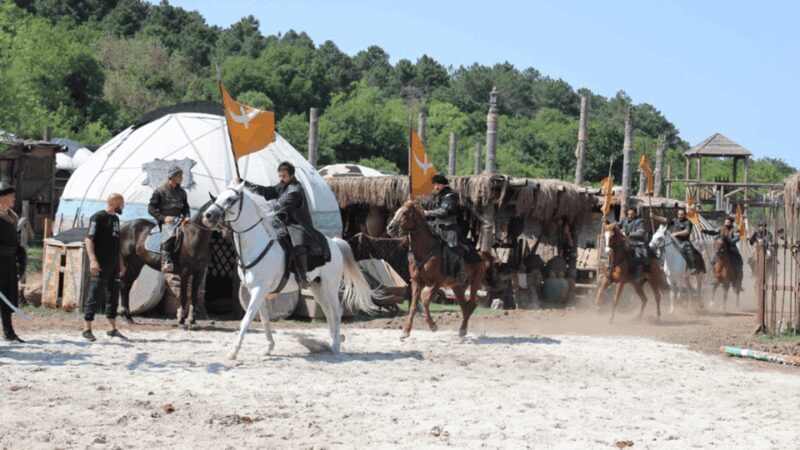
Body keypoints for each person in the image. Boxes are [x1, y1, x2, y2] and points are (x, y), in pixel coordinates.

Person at [241, 161, 329, 288]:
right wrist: (245, 184)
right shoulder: (282, 186)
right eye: (280, 176)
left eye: (284, 176)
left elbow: (279, 205)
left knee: (298, 244)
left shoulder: (295, 190)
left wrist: (257, 210)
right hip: (282, 222)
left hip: (297, 224)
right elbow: (268, 191)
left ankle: (302, 277)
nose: (281, 179)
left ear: (291, 175)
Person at [82, 194, 128, 342]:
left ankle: (111, 328)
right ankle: (87, 328)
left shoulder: (116, 219)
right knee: (94, 294)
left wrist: (120, 263)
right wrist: (93, 260)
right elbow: (89, 239)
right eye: (121, 203)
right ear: (114, 202)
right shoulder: (98, 217)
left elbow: (116, 244)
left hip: (113, 263)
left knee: (113, 295)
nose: (123, 206)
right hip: (100, 263)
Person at [424, 173, 467, 279]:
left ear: (444, 185)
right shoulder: (433, 195)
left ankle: (460, 271)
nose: (435, 187)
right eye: (434, 184)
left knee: (452, 247)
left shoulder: (451, 195)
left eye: (438, 184)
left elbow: (444, 211)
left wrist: (428, 213)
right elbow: (428, 207)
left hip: (449, 226)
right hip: (434, 225)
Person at [148, 166, 190, 273]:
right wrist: (163, 218)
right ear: (172, 177)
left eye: (181, 175)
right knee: (170, 232)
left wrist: (187, 216)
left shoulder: (182, 192)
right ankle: (165, 261)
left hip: (179, 220)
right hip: (165, 221)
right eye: (179, 175)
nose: (181, 177)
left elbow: (186, 208)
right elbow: (151, 208)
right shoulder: (160, 191)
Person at [0, 182, 23, 342]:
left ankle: (9, 332)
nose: (14, 199)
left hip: (8, 262)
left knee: (7, 296)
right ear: (2, 198)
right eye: (11, 196)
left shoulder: (11, 216)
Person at [651, 208, 700, 274]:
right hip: (674, 240)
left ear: (685, 215)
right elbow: (665, 219)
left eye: (681, 214)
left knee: (689, 250)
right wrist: (654, 216)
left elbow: (686, 232)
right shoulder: (675, 220)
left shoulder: (688, 222)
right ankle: (661, 264)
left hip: (684, 241)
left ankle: (692, 267)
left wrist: (676, 233)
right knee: (664, 247)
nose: (679, 216)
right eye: (679, 214)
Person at [703, 216, 744, 282]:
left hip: (731, 247)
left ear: (731, 223)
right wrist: (704, 231)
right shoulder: (721, 228)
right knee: (713, 261)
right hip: (722, 248)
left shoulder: (735, 229)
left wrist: (730, 241)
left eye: (728, 222)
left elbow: (737, 237)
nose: (727, 223)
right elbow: (713, 232)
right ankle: (712, 276)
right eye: (726, 222)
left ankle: (738, 277)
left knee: (738, 259)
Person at [618, 206, 650, 277]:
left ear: (635, 213)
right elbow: (617, 226)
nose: (630, 216)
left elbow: (641, 233)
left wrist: (628, 234)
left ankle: (636, 274)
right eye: (629, 214)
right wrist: (609, 224)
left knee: (637, 257)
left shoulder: (640, 221)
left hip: (636, 243)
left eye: (632, 214)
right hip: (624, 241)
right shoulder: (624, 219)